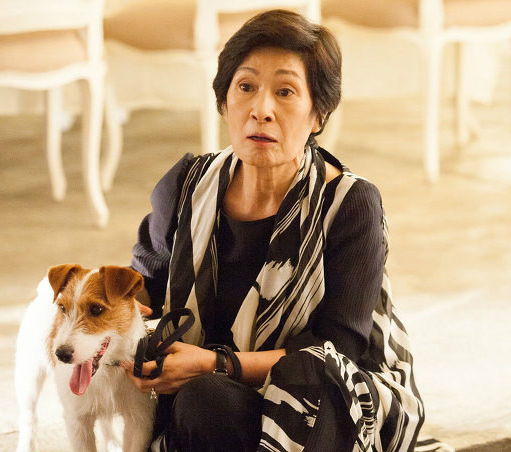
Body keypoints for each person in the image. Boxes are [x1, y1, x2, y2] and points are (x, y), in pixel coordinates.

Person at [120, 9, 425, 452]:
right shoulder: (186, 186)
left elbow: (338, 352)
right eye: (246, 87)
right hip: (215, 402)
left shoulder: (349, 204)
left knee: (293, 376)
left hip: (324, 404)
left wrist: (217, 363)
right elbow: (143, 290)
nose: (261, 110)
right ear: (225, 100)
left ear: (318, 114)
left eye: (285, 92)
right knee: (202, 400)